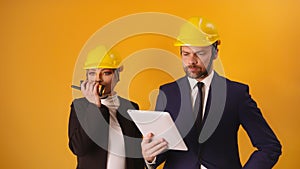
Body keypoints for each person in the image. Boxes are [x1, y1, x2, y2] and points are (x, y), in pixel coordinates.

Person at [141, 17, 282, 169]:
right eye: (186, 54)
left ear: (215, 53)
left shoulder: (236, 94)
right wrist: (150, 157)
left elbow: (269, 146)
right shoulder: (168, 93)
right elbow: (162, 148)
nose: (191, 61)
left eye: (200, 53)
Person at [68, 45, 145, 169]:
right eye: (92, 73)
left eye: (106, 73)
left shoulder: (131, 107)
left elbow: (136, 155)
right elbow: (79, 148)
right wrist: (95, 105)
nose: (98, 79)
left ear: (117, 76)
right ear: (86, 77)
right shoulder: (79, 106)